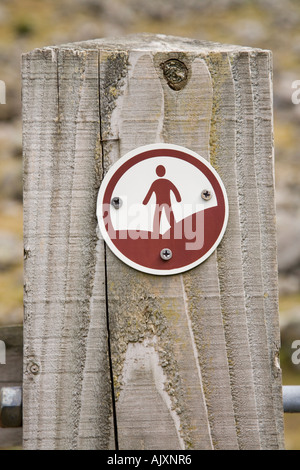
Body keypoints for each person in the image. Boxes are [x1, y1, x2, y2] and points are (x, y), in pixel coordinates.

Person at [142, 165, 181, 236]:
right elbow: (175, 191)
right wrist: (178, 199)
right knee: (169, 217)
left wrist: (145, 202)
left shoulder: (155, 182)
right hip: (167, 203)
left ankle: (156, 233)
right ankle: (175, 231)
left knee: (158, 217)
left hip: (159, 203)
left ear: (157, 173)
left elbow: (149, 194)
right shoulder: (167, 182)